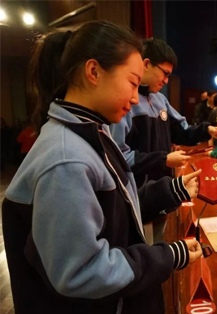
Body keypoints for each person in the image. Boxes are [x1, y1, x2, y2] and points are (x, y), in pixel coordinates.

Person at [2, 21, 203, 314]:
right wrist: (166, 256)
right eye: (132, 83)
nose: (136, 97)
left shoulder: (92, 132)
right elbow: (81, 271)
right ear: (94, 72)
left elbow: (117, 212)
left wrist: (173, 189)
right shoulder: (66, 158)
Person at [110, 38, 217, 187]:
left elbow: (181, 132)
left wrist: (207, 130)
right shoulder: (125, 101)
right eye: (165, 73)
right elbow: (119, 158)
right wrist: (163, 159)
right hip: (137, 191)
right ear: (146, 64)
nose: (166, 81)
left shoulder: (161, 100)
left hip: (164, 188)